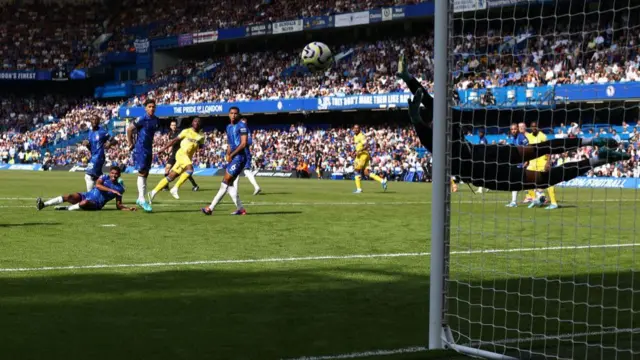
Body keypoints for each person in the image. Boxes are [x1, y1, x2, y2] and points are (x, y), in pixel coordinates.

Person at [396, 55, 630, 191]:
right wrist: (410, 87)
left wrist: (410, 86)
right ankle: (596, 149)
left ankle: (596, 153)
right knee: (540, 157)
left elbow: (425, 110)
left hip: (482, 167)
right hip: (484, 162)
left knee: (542, 174)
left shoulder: (434, 136)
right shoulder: (437, 132)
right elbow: (426, 110)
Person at [202, 107, 247, 216]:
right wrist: (228, 154)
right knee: (229, 183)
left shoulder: (242, 126)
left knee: (225, 182)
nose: (233, 115)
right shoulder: (228, 127)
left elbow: (243, 143)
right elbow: (230, 143)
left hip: (239, 158)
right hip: (233, 158)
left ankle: (210, 208)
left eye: (235, 113)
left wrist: (232, 154)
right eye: (231, 113)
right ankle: (241, 209)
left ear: (238, 115)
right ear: (228, 114)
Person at [148, 118, 204, 202]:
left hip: (186, 158)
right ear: (192, 123)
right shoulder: (186, 131)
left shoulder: (201, 136)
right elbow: (174, 140)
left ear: (200, 124)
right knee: (190, 170)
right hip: (181, 154)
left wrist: (201, 150)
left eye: (198, 121)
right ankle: (175, 188)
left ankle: (152, 192)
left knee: (171, 177)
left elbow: (201, 148)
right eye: (195, 121)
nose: (196, 122)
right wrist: (163, 149)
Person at [36, 166, 136, 211]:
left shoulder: (120, 188)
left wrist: (128, 209)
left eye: (116, 174)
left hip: (96, 203)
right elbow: (97, 185)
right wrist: (111, 190)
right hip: (87, 195)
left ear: (119, 175)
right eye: (112, 173)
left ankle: (66, 209)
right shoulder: (104, 177)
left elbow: (118, 205)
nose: (114, 175)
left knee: (85, 203)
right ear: (110, 173)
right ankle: (43, 205)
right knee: (69, 196)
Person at [126, 99, 158, 212]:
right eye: (149, 106)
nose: (152, 108)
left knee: (146, 173)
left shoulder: (155, 120)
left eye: (153, 106)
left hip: (149, 149)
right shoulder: (142, 118)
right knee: (142, 172)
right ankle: (141, 198)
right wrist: (130, 143)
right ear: (145, 108)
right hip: (141, 148)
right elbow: (129, 129)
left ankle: (141, 198)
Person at [526, 121, 558, 210]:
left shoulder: (543, 136)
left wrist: (548, 162)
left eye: (535, 126)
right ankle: (536, 199)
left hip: (542, 162)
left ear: (538, 127)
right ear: (530, 127)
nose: (534, 128)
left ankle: (554, 203)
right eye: (532, 126)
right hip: (532, 162)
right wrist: (527, 161)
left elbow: (548, 150)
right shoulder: (529, 136)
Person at [163, 120, 199, 192]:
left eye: (175, 125)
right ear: (170, 126)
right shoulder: (170, 134)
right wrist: (167, 153)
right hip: (173, 154)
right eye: (172, 125)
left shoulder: (180, 132)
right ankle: (166, 186)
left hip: (181, 154)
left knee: (185, 171)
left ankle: (195, 185)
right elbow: (172, 145)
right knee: (167, 168)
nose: (174, 126)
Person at [83, 115, 115, 191]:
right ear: (90, 121)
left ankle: (90, 196)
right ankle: (113, 187)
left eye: (96, 119)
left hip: (99, 157)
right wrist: (87, 145)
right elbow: (91, 148)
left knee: (88, 175)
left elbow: (114, 140)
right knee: (97, 177)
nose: (94, 121)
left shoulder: (102, 132)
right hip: (93, 156)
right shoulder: (90, 132)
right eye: (92, 119)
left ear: (98, 121)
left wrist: (109, 143)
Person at [352, 124, 387, 193]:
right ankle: (382, 181)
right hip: (362, 154)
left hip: (363, 155)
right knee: (366, 172)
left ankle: (359, 189)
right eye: (354, 128)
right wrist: (354, 151)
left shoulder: (361, 136)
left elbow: (367, 145)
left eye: (357, 128)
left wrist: (359, 151)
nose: (355, 130)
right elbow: (358, 146)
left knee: (356, 171)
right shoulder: (355, 136)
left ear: (359, 129)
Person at [232, 117, 262, 195]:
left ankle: (235, 190)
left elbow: (249, 141)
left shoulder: (244, 130)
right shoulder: (244, 130)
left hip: (243, 153)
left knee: (240, 171)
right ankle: (256, 187)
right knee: (243, 171)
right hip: (244, 152)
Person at [505, 123, 529, 207]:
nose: (513, 131)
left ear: (517, 129)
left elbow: (528, 147)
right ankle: (514, 202)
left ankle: (538, 196)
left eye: (515, 129)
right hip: (517, 163)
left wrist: (527, 160)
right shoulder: (513, 138)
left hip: (522, 163)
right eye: (512, 129)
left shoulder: (521, 137)